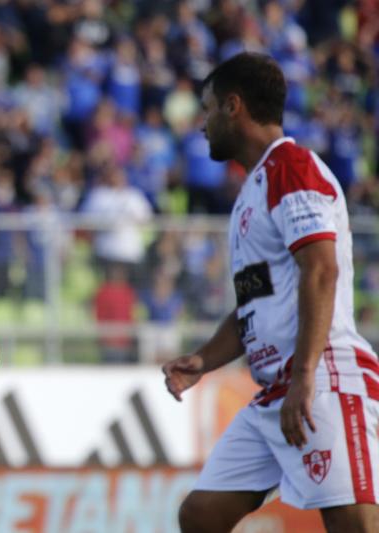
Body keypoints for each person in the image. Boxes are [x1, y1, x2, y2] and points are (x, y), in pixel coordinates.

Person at [162, 52, 379, 532]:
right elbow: (254, 304)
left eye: (207, 109)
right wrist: (203, 359)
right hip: (278, 386)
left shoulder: (292, 168)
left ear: (233, 106)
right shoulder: (254, 190)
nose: (202, 125)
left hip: (321, 373)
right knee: (200, 515)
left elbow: (320, 270)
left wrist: (305, 372)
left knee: (356, 527)